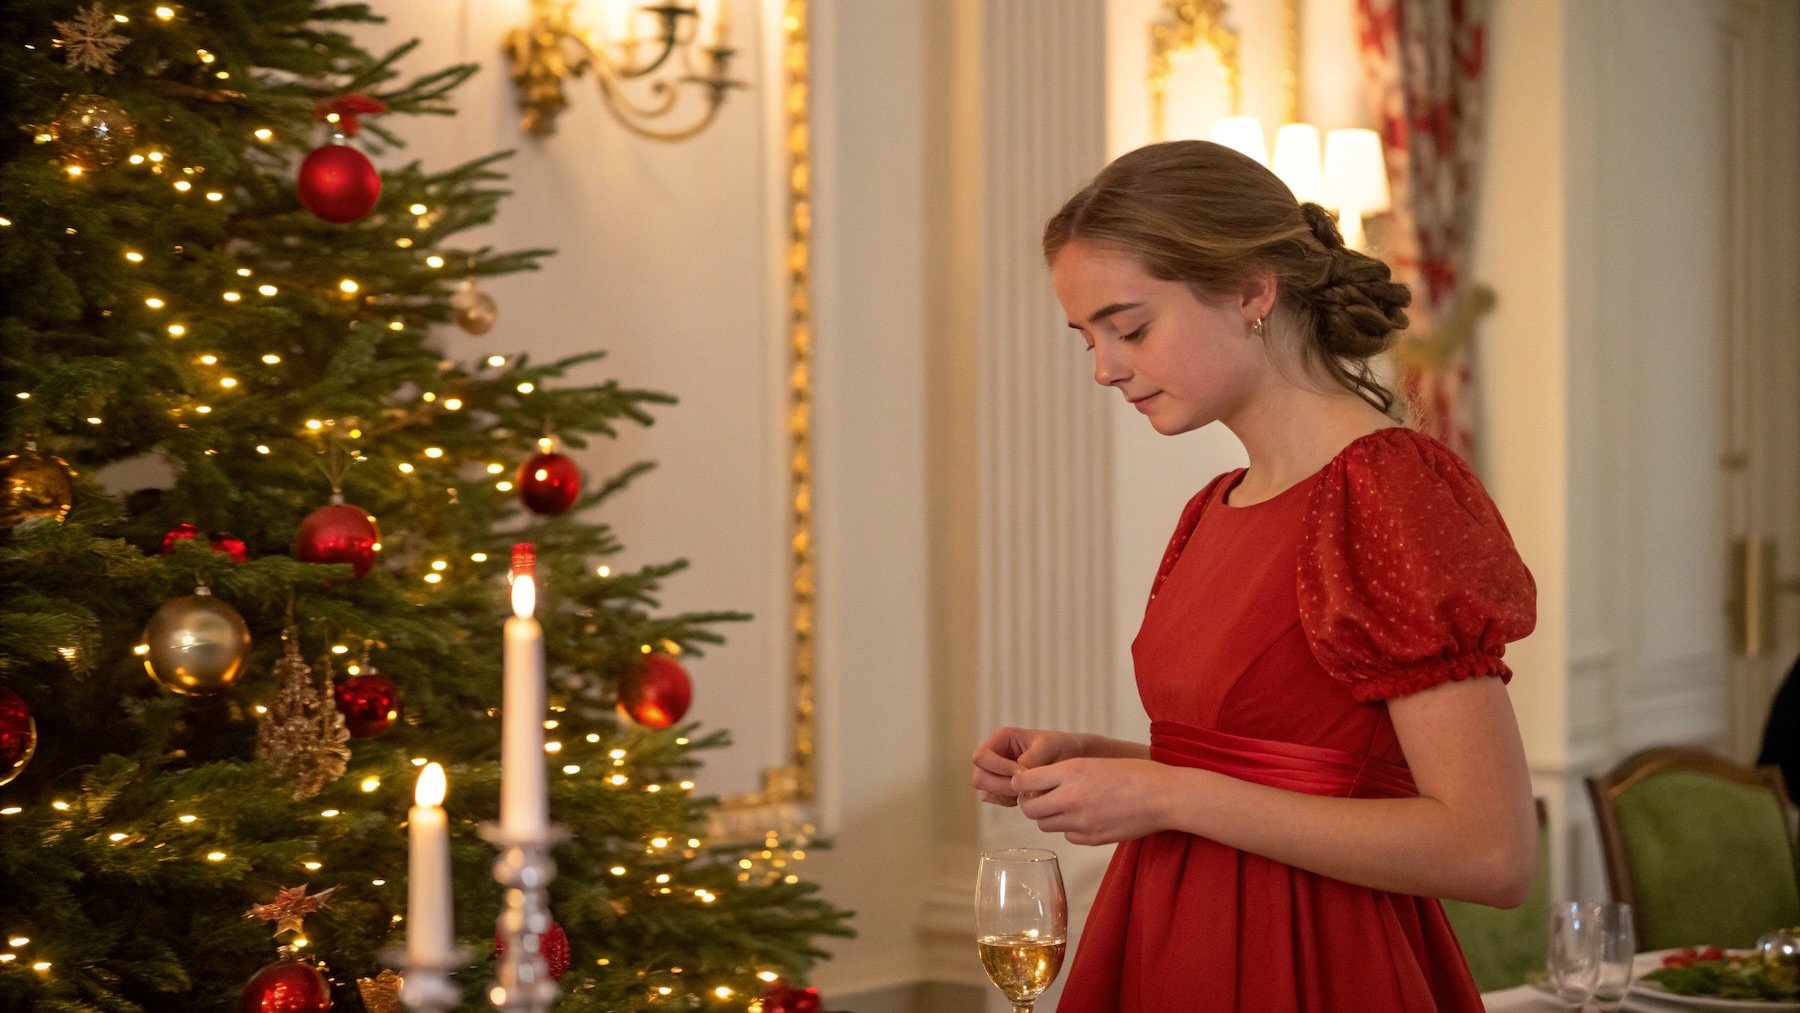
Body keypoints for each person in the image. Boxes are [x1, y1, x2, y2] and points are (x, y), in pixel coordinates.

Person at [970, 140, 1539, 1012]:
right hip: (1173, 944)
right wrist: (1102, 761)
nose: (1105, 367)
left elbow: (1489, 851)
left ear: (1250, 291)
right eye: (1087, 338)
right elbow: (1278, 767)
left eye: (1130, 327)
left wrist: (1163, 791)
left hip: (1314, 963)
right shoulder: (1216, 504)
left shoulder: (1385, 491)